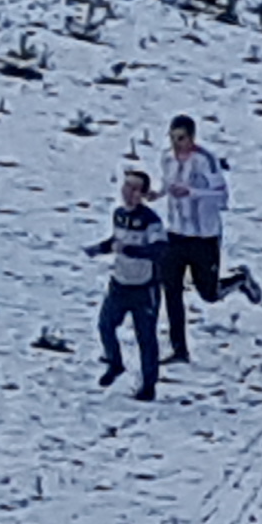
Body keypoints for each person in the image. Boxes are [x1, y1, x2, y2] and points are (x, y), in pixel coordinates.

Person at [155, 115, 262, 361]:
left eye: (181, 138)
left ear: (192, 138)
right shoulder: (166, 158)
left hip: (204, 236)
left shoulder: (206, 160)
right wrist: (157, 193)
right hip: (175, 233)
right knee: (171, 290)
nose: (176, 143)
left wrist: (192, 193)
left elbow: (222, 197)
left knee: (208, 293)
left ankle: (240, 280)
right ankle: (179, 348)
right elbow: (167, 184)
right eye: (172, 138)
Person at [91, 167, 167, 399]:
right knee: (105, 325)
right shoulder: (119, 215)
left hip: (144, 288)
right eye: (127, 186)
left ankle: (149, 385)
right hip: (120, 283)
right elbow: (116, 241)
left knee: (146, 338)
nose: (129, 192)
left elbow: (160, 249)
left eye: (135, 189)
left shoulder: (151, 220)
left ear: (143, 194)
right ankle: (115, 362)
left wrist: (131, 250)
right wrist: (100, 248)